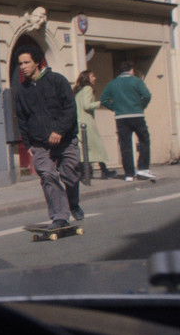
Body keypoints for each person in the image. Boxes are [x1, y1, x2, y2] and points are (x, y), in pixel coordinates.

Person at [13, 48, 83, 226]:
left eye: (26, 62)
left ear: (37, 62)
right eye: (20, 63)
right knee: (48, 176)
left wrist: (59, 131)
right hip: (40, 143)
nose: (23, 67)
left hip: (65, 140)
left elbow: (70, 109)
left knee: (71, 175)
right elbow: (22, 118)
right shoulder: (22, 90)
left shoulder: (57, 81)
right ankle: (60, 216)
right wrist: (28, 143)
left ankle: (73, 203)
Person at [98, 61, 155, 182]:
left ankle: (129, 173)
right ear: (131, 70)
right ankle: (143, 168)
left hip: (121, 117)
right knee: (144, 140)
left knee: (125, 145)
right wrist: (141, 106)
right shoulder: (136, 81)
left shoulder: (113, 83)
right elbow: (147, 95)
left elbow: (103, 99)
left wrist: (115, 107)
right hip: (137, 115)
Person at [72, 70, 115, 179]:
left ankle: (89, 171)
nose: (95, 78)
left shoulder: (78, 91)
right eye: (92, 76)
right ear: (87, 78)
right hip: (86, 122)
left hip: (79, 122)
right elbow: (87, 105)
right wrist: (101, 103)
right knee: (96, 146)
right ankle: (102, 171)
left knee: (88, 148)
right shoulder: (88, 89)